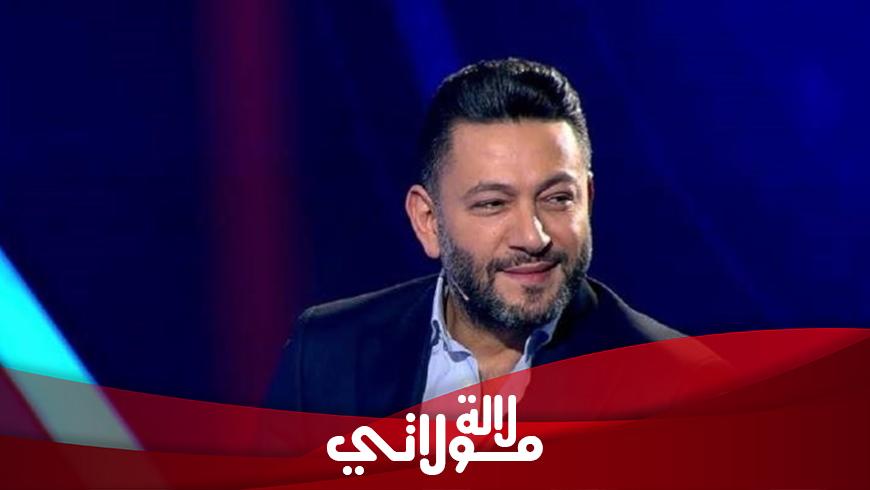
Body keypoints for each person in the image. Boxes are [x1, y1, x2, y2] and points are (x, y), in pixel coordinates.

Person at [266, 58, 685, 417]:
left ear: (587, 200)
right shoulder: (326, 356)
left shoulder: (680, 387)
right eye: (493, 204)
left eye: (558, 199)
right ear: (428, 221)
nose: (533, 237)